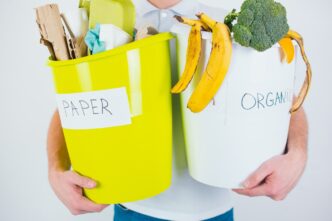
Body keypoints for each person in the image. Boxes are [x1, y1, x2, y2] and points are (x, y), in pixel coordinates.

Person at [47, 0, 309, 220]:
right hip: (132, 208)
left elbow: (285, 100)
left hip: (213, 212)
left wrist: (297, 155)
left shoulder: (226, 24)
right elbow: (73, 104)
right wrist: (55, 170)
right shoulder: (109, 25)